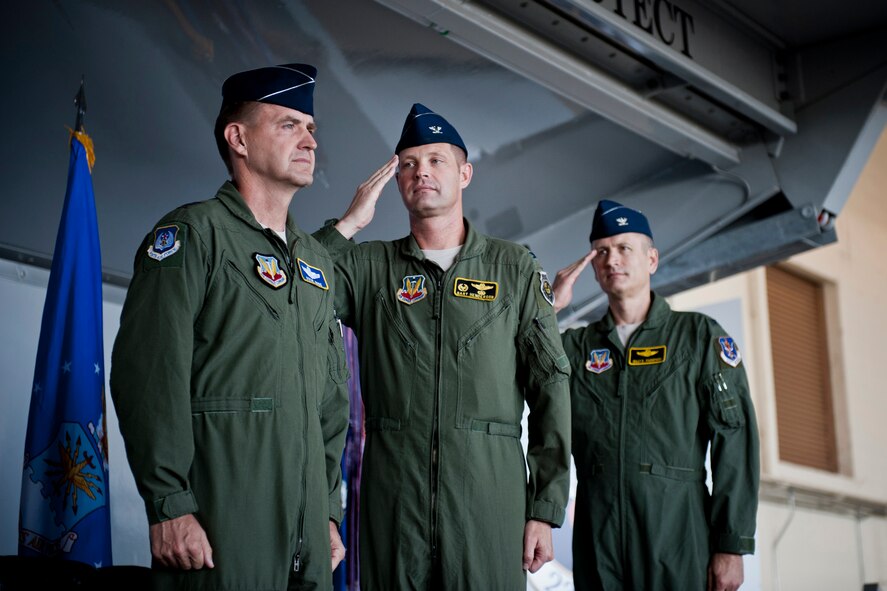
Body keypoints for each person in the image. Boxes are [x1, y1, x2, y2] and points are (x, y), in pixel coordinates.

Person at [110, 64, 350, 590]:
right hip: (221, 522)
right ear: (238, 138)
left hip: (308, 534)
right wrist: (168, 504)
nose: (309, 139)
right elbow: (149, 375)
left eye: (311, 128)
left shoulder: (314, 261)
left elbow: (332, 399)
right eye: (289, 125)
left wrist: (327, 508)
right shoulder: (192, 236)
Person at [312, 103, 572, 589]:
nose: (421, 172)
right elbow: (293, 290)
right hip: (394, 500)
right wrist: (348, 225)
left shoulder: (511, 267)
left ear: (465, 173)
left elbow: (551, 384)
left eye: (436, 160)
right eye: (408, 163)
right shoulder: (370, 267)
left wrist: (544, 508)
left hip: (489, 499)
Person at [551, 199, 760, 591]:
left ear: (652, 259)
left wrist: (731, 545)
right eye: (601, 251)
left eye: (624, 248)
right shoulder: (574, 348)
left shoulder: (698, 337)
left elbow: (735, 439)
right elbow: (506, 369)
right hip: (599, 534)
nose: (612, 259)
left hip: (678, 533)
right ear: (593, 266)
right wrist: (547, 310)